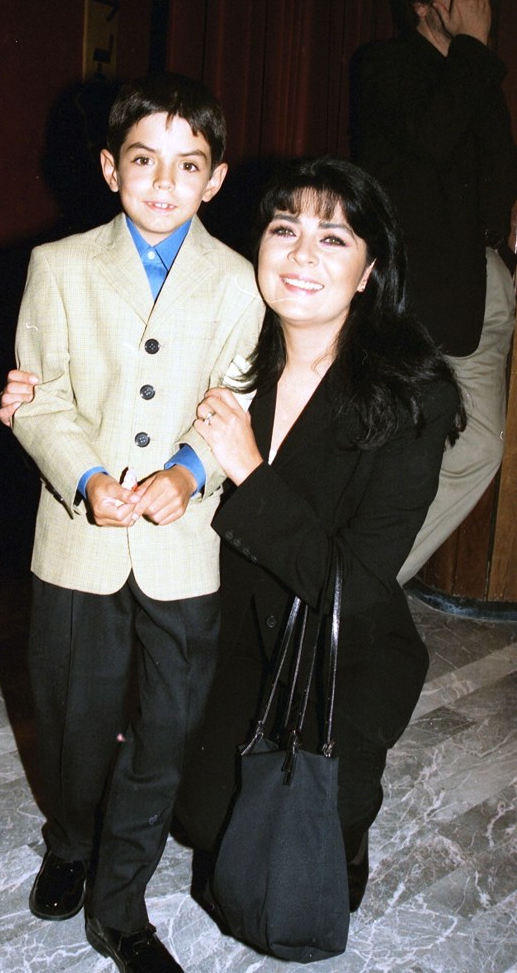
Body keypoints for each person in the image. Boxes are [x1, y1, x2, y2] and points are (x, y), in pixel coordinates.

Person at [5, 73, 263, 973]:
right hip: (79, 539)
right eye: (145, 161)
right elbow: (38, 400)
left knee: (167, 727)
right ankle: (71, 839)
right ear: (111, 168)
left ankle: (121, 905)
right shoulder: (60, 266)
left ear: (215, 179)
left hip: (184, 550)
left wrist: (190, 472)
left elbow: (234, 396)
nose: (164, 183)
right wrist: (85, 475)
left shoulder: (239, 283)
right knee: (74, 719)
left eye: (188, 165)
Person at [172, 155, 465, 914]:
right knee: (198, 821)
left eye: (333, 239)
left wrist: (249, 470)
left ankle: (352, 813)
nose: (301, 254)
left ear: (369, 270)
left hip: (340, 647)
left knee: (297, 861)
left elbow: (354, 583)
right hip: (234, 634)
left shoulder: (413, 397)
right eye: (284, 229)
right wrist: (39, 395)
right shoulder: (231, 359)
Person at [350, 0, 517, 584]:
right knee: (391, 448)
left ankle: (366, 582)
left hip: (483, 288)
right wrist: (474, 51)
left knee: (477, 446)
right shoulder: (384, 65)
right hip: (416, 293)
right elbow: (429, 140)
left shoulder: (476, 78)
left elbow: (492, 174)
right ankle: (353, 588)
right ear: (424, 7)